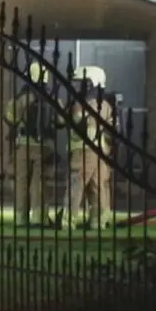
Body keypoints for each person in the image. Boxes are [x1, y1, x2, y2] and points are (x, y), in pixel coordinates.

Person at [2, 61, 60, 227]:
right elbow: (60, 122)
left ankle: (20, 218)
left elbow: (10, 118)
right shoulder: (52, 99)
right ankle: (39, 218)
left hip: (23, 145)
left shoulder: (20, 98)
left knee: (21, 182)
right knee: (39, 183)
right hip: (44, 147)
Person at [67, 66, 116, 229]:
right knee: (98, 186)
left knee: (76, 185)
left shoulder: (82, 105)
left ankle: (68, 220)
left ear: (90, 83)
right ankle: (99, 221)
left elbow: (74, 122)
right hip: (101, 151)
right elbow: (113, 130)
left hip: (83, 150)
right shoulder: (107, 105)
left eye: (81, 83)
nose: (77, 87)